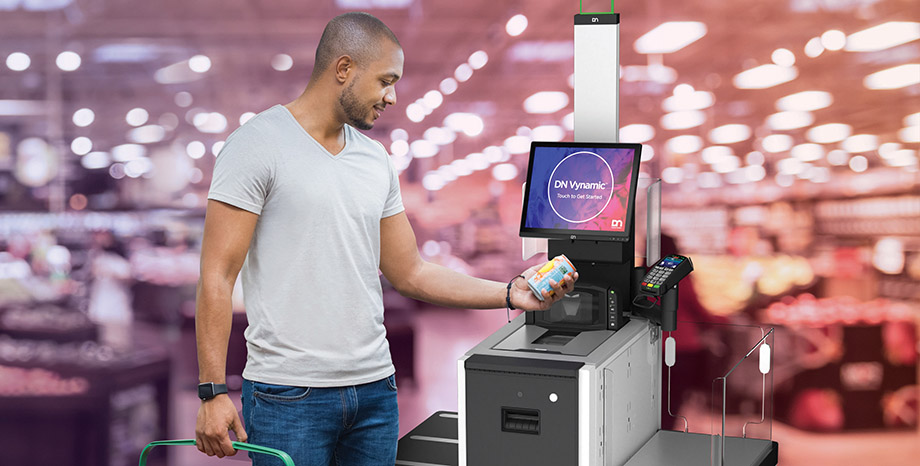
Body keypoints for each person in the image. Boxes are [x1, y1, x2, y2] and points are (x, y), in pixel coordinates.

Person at [194, 11, 576, 466]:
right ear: (343, 69)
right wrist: (213, 390)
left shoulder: (374, 160)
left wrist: (509, 292)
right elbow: (217, 275)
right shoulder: (258, 145)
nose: (392, 97)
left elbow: (410, 271)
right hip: (288, 394)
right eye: (385, 81)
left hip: (375, 390)